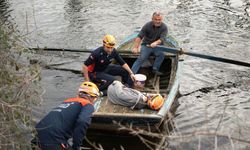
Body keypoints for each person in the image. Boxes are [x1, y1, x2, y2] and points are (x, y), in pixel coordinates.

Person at [32, 81, 100, 150]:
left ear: (78, 94)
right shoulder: (87, 104)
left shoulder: (67, 101)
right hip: (54, 140)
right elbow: (83, 121)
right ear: (92, 97)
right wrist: (76, 146)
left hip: (37, 137)